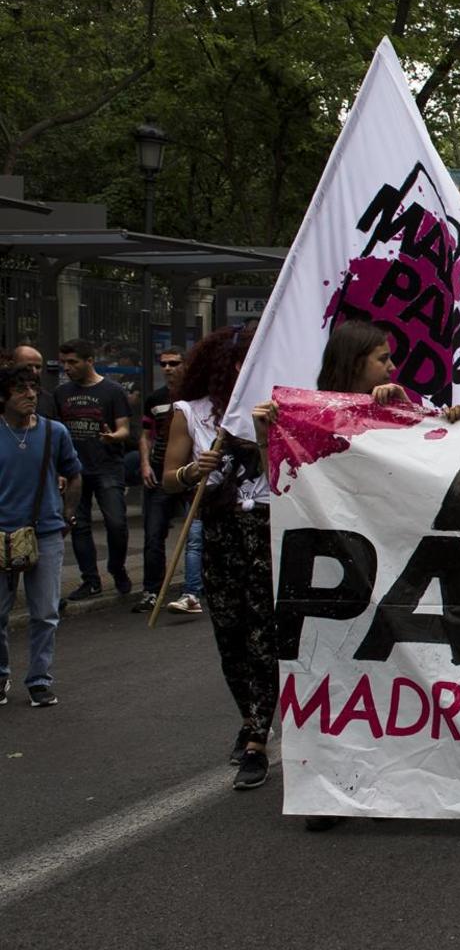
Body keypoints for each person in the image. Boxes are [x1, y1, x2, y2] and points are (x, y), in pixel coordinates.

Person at [161, 327, 283, 789]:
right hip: (220, 533)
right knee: (229, 636)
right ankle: (251, 717)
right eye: (237, 363)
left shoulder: (272, 411)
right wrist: (195, 470)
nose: (244, 370)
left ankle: (256, 737)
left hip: (266, 532)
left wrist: (267, 436)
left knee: (262, 635)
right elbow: (171, 478)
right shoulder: (188, 414)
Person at [0, 367, 83, 708]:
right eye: (20, 390)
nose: (30, 395)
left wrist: (66, 513)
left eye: (33, 388)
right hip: (1, 533)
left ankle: (38, 680)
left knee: (45, 612)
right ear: (3, 397)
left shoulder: (54, 431)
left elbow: (74, 474)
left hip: (45, 531)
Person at [54, 340, 133, 599]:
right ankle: (90, 580)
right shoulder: (62, 393)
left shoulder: (112, 391)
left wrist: (114, 436)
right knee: (79, 524)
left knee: (116, 523)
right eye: (64, 362)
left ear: (89, 361)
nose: (67, 367)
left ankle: (117, 567)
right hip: (75, 469)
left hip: (107, 467)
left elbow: (125, 429)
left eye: (73, 362)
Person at [137, 347, 204, 615]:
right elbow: (145, 435)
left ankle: (192, 590)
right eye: (163, 363)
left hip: (192, 474)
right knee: (153, 534)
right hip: (161, 473)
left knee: (195, 537)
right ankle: (152, 590)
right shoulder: (155, 399)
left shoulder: (196, 399)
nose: (167, 368)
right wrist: (144, 464)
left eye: (174, 363)